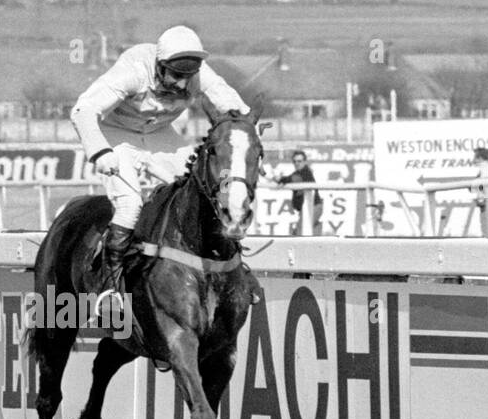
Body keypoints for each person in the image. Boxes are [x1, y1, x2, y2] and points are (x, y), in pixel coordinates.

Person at [70, 25, 249, 309]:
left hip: (159, 135)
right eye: (175, 76)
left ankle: (235, 272)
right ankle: (109, 287)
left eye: (187, 77)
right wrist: (99, 150)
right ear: (159, 65)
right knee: (130, 204)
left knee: (205, 193)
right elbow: (83, 110)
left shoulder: (197, 74)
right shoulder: (133, 71)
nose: (181, 84)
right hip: (116, 136)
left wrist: (243, 125)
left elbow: (229, 103)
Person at [276, 150, 323, 234]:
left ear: (305, 162)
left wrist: (281, 179)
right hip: (307, 208)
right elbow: (291, 178)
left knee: (300, 232)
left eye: (299, 161)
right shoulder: (298, 173)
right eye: (294, 161)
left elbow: (293, 179)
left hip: (313, 207)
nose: (296, 163)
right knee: (304, 232)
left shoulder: (305, 172)